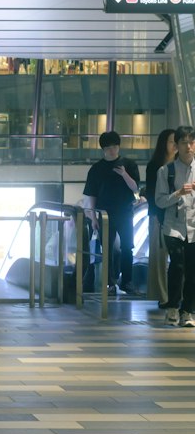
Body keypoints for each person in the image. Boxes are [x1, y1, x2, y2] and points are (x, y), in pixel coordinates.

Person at [82, 129, 142, 295]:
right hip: (104, 214)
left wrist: (124, 174)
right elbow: (91, 194)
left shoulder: (129, 165)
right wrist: (92, 216)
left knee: (127, 247)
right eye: (108, 147)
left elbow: (136, 187)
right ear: (103, 149)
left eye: (115, 146)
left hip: (125, 211)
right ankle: (109, 284)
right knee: (106, 248)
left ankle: (127, 281)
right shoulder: (96, 169)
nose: (112, 150)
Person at [156, 124, 195, 327]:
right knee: (178, 265)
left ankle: (187, 311)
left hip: (193, 227)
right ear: (176, 145)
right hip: (173, 226)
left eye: (191, 142)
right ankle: (173, 307)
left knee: (192, 270)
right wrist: (178, 193)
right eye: (183, 142)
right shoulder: (166, 171)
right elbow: (159, 201)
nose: (188, 146)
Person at [146, 127, 176, 308]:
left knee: (179, 259)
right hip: (158, 216)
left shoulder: (184, 166)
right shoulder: (155, 166)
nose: (175, 145)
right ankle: (163, 296)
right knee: (159, 258)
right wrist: (156, 214)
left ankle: (175, 295)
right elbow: (151, 193)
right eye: (172, 141)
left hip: (178, 216)